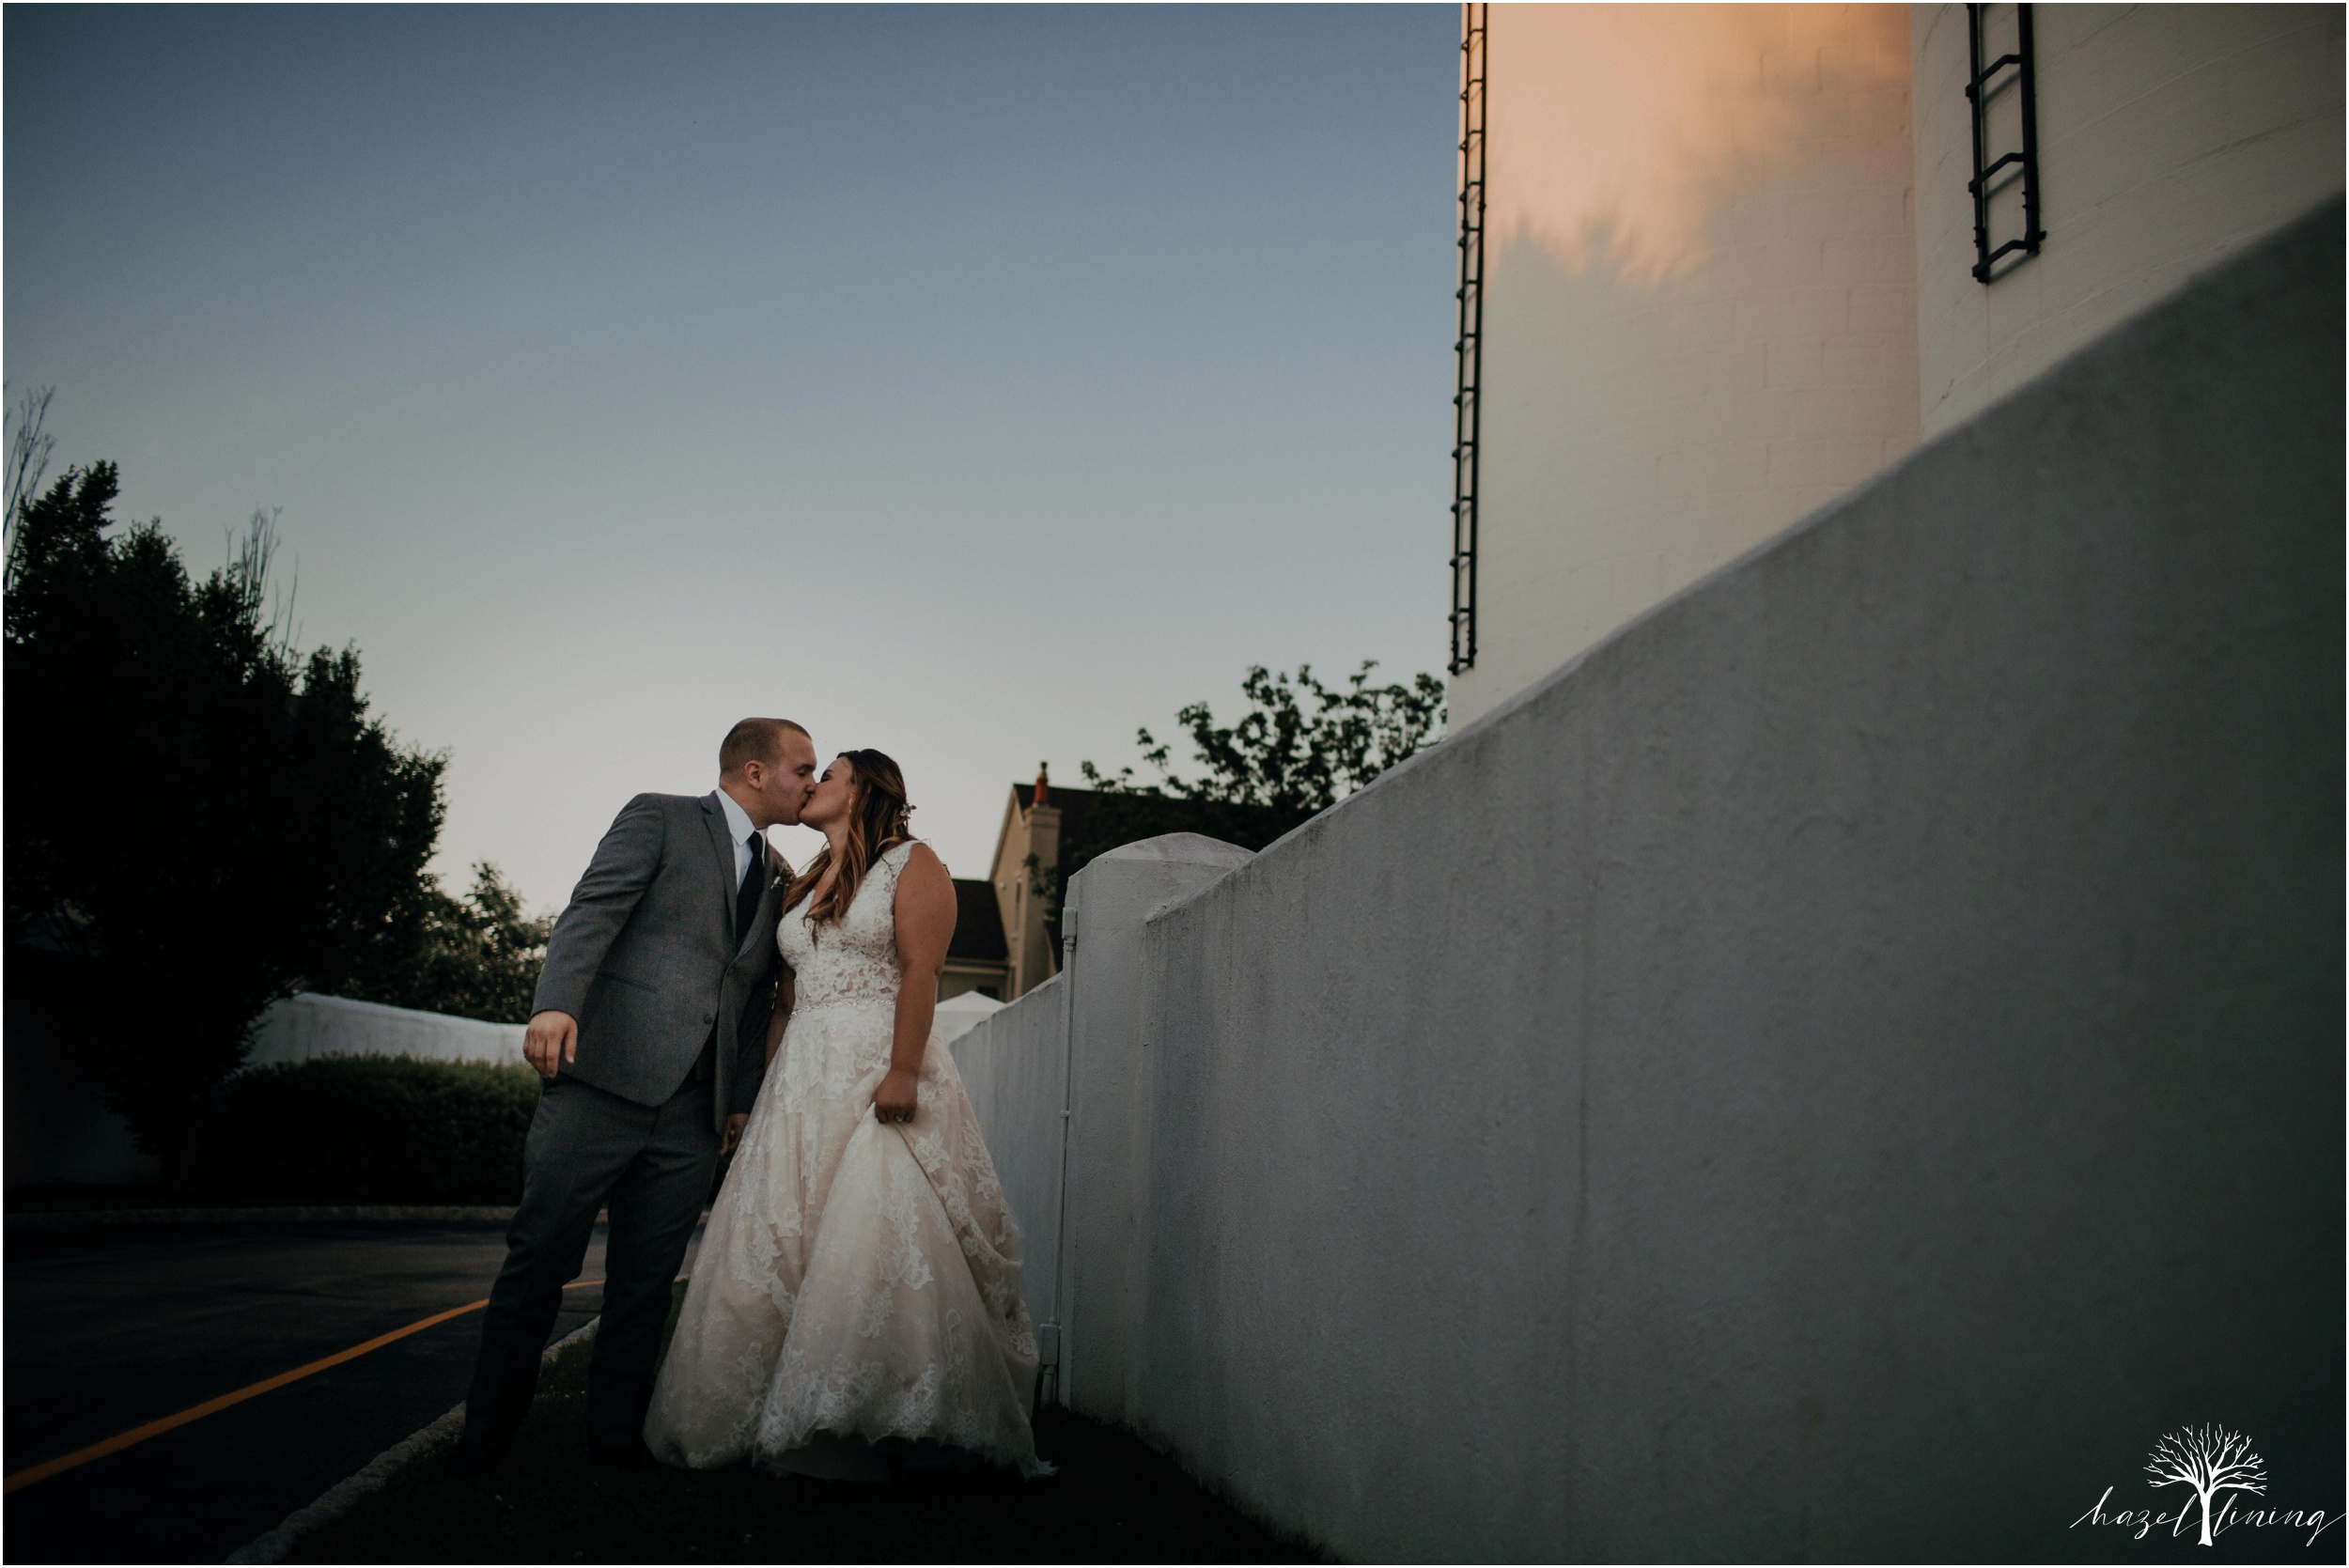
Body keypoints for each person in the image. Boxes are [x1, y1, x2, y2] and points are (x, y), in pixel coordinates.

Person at [645, 749, 1050, 1479]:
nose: (812, 785)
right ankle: (765, 1407)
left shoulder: (911, 863)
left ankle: (888, 1413)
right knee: (783, 1232)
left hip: (874, 1066)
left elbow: (921, 971)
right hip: (800, 1078)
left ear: (863, 787)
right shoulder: (800, 882)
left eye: (825, 775)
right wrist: (754, 1095)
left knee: (874, 1222)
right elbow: (788, 1000)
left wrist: (902, 1070)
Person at [451, 717, 820, 1472]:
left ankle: (616, 1442)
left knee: (645, 1288)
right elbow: (593, 910)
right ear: (755, 771)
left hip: (693, 1115)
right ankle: (485, 1437)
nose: (811, 783)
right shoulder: (658, 816)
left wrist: (740, 1099)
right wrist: (555, 1002)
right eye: (802, 768)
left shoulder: (784, 876)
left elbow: (751, 1002)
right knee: (538, 1263)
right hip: (601, 1084)